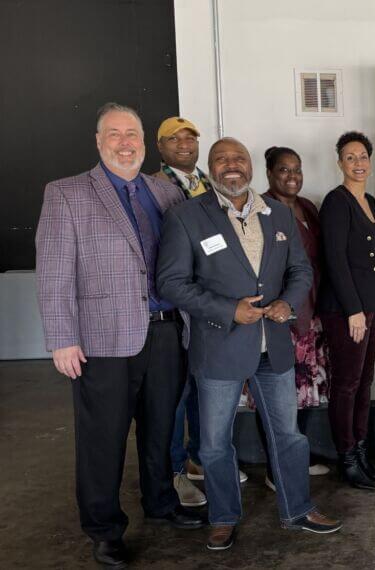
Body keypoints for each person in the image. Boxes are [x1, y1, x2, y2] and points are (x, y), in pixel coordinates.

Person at [35, 102, 203, 568]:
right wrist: (61, 337)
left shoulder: (164, 192)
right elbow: (53, 272)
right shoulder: (67, 193)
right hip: (101, 341)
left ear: (144, 142)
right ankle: (104, 529)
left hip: (167, 334)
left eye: (132, 134)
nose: (125, 142)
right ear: (98, 141)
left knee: (160, 429)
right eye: (115, 134)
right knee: (102, 438)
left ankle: (162, 505)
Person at [157, 137, 341, 551]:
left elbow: (300, 271)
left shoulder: (277, 213)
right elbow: (170, 282)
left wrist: (286, 303)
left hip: (273, 345)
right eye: (221, 159)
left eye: (239, 158)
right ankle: (223, 517)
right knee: (215, 442)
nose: (231, 165)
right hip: (220, 346)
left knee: (288, 435)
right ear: (211, 167)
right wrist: (227, 310)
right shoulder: (187, 216)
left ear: (250, 166)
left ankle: (297, 508)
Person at [151, 115, 226, 509]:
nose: (183, 144)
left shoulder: (208, 183)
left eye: (189, 138)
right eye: (173, 139)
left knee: (202, 387)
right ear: (159, 146)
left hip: (210, 305)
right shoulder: (153, 187)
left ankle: (198, 460)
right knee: (175, 394)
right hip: (178, 307)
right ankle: (175, 471)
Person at [254, 146, 330, 490]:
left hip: (310, 313)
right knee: (276, 394)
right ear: (269, 173)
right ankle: (275, 466)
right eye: (284, 170)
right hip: (279, 316)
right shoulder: (260, 209)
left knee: (303, 392)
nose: (292, 176)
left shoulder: (308, 208)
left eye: (297, 170)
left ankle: (296, 457)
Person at [319, 131, 375, 491]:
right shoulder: (336, 201)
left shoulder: (371, 201)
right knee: (345, 385)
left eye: (363, 156)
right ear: (339, 163)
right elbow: (336, 261)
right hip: (347, 312)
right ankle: (346, 456)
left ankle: (361, 452)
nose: (358, 163)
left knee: (364, 383)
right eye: (350, 157)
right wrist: (355, 310)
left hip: (371, 309)